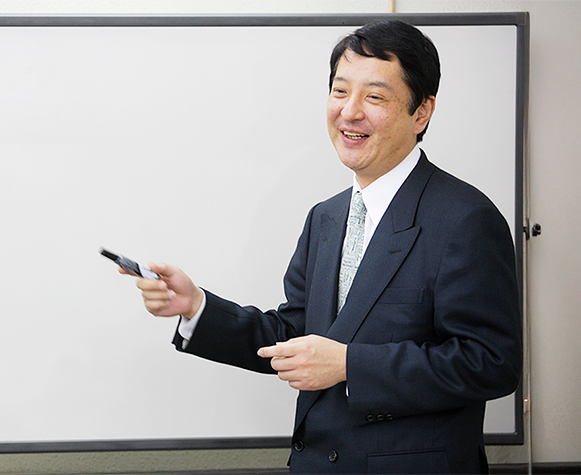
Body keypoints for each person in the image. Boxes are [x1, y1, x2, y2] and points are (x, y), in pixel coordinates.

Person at [122, 20, 522, 474]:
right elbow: (296, 336)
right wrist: (196, 306)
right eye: (339, 91)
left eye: (374, 97)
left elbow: (492, 362)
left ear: (421, 112)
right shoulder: (325, 218)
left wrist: (351, 364)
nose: (349, 112)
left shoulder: (466, 218)